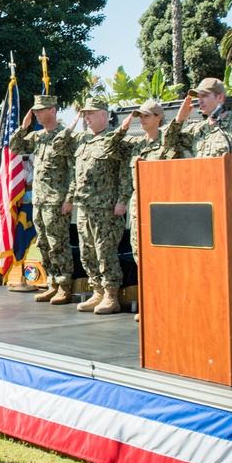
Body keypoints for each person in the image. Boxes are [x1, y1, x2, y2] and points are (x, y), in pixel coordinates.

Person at [10, 94, 78, 305]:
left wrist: (69, 198)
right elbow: (14, 147)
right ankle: (52, 283)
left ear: (53, 110)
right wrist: (23, 127)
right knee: (44, 243)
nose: (37, 113)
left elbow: (74, 170)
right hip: (39, 200)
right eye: (35, 110)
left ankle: (64, 285)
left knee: (58, 244)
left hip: (57, 200)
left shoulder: (66, 137)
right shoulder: (38, 137)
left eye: (41, 110)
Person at [69, 98, 132, 315]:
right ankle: (97, 290)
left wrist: (122, 200)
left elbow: (125, 172)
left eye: (91, 113)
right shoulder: (84, 141)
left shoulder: (115, 139)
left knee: (105, 252)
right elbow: (76, 174)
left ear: (104, 114)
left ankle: (111, 295)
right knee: (87, 252)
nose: (86, 117)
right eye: (85, 114)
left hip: (106, 208)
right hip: (85, 206)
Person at [112, 100, 167, 322]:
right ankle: (148, 301)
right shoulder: (136, 145)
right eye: (140, 116)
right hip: (138, 206)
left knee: (160, 257)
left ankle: (162, 302)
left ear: (158, 117)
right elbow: (111, 147)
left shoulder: (168, 143)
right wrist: (123, 128)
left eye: (147, 115)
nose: (142, 119)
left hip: (160, 207)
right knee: (139, 255)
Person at [160, 78, 232, 165]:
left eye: (204, 96)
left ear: (220, 97)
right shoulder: (197, 129)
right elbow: (168, 144)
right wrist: (179, 119)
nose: (200, 100)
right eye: (198, 97)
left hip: (229, 187)